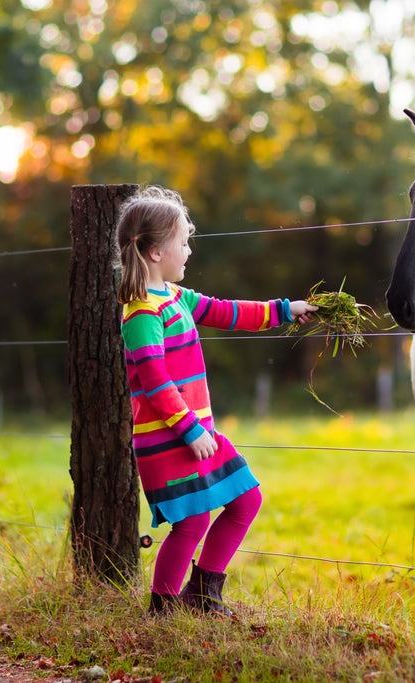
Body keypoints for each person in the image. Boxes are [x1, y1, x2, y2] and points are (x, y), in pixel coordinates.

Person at [115, 186, 317, 616]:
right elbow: (154, 379)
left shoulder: (174, 297)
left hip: (196, 432)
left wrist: (285, 309)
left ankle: (203, 595)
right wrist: (188, 429)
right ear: (155, 252)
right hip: (172, 437)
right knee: (191, 522)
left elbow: (227, 311)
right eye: (183, 243)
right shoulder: (141, 312)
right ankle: (165, 609)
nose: (189, 251)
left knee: (246, 500)